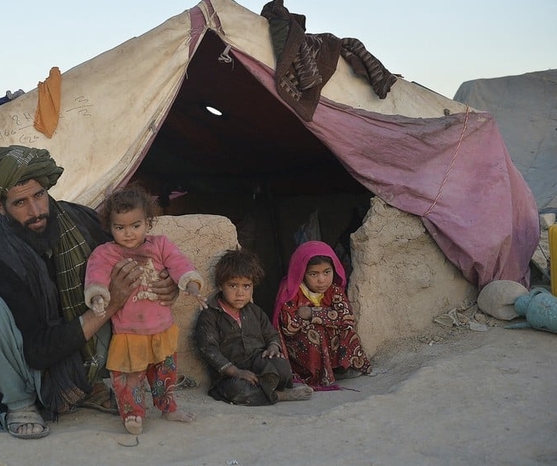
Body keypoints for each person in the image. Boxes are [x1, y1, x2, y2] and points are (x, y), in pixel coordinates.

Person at [0, 146, 180, 440]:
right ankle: (20, 406)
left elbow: (138, 252)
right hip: (26, 367)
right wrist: (110, 304)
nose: (36, 211)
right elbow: (37, 352)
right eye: (20, 202)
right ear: (1, 207)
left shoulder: (80, 221)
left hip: (83, 355)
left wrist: (167, 283)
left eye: (39, 195)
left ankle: (86, 386)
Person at [84, 185, 204, 435]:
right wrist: (97, 295)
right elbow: (95, 276)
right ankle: (133, 414)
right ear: (110, 227)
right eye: (120, 227)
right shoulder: (106, 253)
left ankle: (168, 408)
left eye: (135, 225)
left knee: (165, 373)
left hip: (161, 329)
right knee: (129, 377)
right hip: (129, 333)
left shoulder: (160, 245)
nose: (128, 233)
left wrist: (191, 284)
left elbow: (178, 264)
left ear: (147, 223)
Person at [195, 249, 313, 405]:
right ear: (220, 285)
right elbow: (209, 350)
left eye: (246, 286)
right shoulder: (210, 315)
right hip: (230, 373)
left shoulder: (255, 311)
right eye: (233, 285)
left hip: (258, 363)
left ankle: (269, 390)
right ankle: (280, 396)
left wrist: (273, 347)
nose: (240, 293)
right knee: (239, 390)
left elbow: (271, 335)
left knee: (283, 368)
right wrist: (236, 372)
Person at [272, 240, 372, 388]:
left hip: (329, 340)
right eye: (313, 274)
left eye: (327, 272)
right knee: (314, 332)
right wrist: (326, 319)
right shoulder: (291, 291)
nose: (322, 280)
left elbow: (346, 317)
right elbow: (289, 326)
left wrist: (313, 313)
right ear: (301, 272)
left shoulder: (334, 290)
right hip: (302, 347)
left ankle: (343, 367)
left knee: (348, 330)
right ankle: (315, 377)